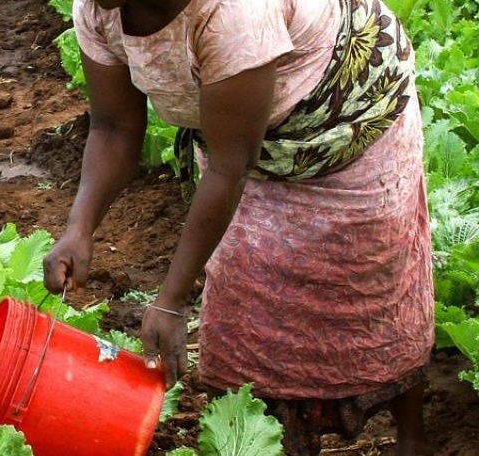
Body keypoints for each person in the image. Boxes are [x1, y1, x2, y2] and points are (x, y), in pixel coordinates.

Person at [41, 0, 434, 454]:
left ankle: (412, 438)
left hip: (349, 122)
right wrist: (79, 227)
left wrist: (171, 300)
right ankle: (265, 439)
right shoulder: (98, 9)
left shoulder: (233, 11)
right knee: (244, 302)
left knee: (371, 286)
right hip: (244, 140)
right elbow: (114, 127)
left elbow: (230, 166)